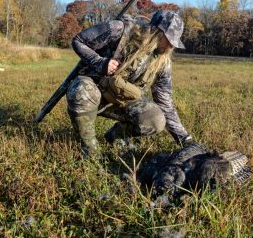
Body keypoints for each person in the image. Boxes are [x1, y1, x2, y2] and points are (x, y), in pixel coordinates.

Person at [66, 9, 193, 158]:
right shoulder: (119, 29)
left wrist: (185, 139)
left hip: (121, 101)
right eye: (169, 40)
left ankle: (116, 136)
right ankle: (90, 151)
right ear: (157, 32)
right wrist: (99, 62)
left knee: (156, 120)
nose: (171, 47)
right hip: (95, 91)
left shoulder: (162, 63)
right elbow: (78, 40)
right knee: (81, 90)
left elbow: (166, 103)